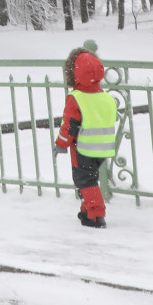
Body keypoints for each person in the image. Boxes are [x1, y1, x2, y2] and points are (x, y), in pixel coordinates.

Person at [55, 43, 117, 228]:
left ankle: (97, 215)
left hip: (83, 147)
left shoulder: (76, 98)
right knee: (90, 178)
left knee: (84, 180)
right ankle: (86, 211)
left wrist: (61, 144)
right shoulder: (106, 97)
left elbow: (69, 126)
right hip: (104, 146)